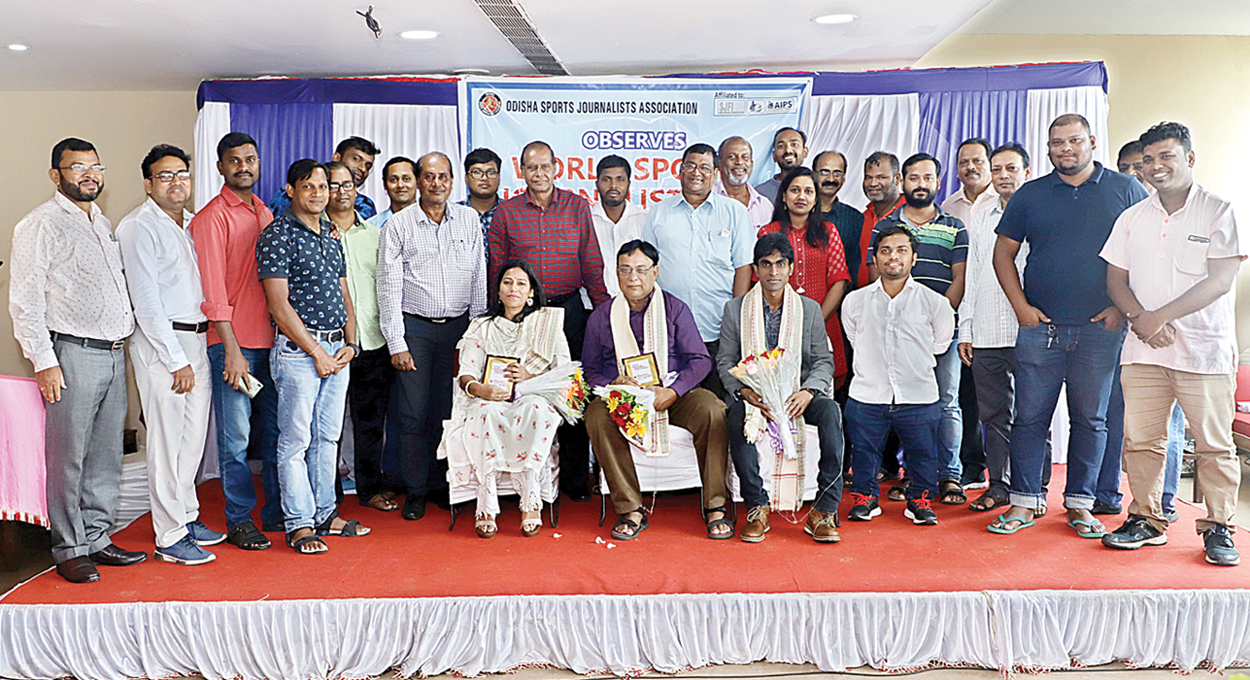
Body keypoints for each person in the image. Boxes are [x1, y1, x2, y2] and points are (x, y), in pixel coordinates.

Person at [989, 114, 1149, 537]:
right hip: (1040, 329)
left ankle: (1080, 504)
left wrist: (1123, 309)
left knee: (1092, 420)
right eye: (1056, 142)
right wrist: (1020, 306)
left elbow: (1144, 255)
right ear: (1048, 149)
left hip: (1102, 330)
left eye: (1073, 140)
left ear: (1091, 142)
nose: (1065, 148)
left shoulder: (1126, 189)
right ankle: (1024, 502)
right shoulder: (1031, 194)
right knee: (1028, 418)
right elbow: (1002, 254)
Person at [1100, 121, 1244, 566]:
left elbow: (1220, 280)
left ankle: (1219, 526)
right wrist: (1141, 322)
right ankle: (1145, 518)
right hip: (1143, 351)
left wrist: (1158, 317)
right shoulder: (1132, 217)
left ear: (1189, 158)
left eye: (1166, 157)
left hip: (1204, 351)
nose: (1155, 167)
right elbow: (1115, 281)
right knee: (1141, 441)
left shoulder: (1218, 210)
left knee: (1214, 445)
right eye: (1148, 160)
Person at [10, 137, 145, 583]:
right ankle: (69, 548)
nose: (89, 174)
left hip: (113, 353)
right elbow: (25, 299)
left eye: (95, 166)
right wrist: (43, 360)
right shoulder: (40, 224)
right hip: (71, 355)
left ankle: (97, 537)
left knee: (105, 455)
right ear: (56, 175)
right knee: (69, 457)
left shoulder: (102, 222)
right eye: (77, 167)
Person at [583, 240, 732, 540]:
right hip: (622, 400)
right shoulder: (602, 316)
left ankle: (716, 506)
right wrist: (612, 385)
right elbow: (589, 371)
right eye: (625, 270)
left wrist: (674, 391)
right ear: (616, 274)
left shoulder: (675, 309)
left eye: (641, 269)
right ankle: (631, 509)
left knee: (713, 409)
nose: (633, 277)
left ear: (656, 272)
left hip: (672, 394)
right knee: (596, 415)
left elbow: (700, 360)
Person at [116, 144, 222, 566]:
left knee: (193, 438)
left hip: (198, 340)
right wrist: (174, 359)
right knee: (166, 441)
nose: (176, 182)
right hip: (164, 347)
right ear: (147, 183)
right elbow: (146, 301)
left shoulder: (193, 224)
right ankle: (170, 535)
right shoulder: (138, 227)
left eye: (182, 174)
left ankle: (188, 516)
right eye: (165, 175)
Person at [258, 159, 369, 554]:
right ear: (291, 190)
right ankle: (300, 524)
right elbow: (278, 305)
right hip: (299, 354)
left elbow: (344, 292)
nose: (320, 193)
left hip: (337, 352)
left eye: (324, 186)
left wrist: (351, 343)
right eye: (310, 187)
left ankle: (326, 514)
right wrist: (317, 352)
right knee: (295, 441)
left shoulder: (330, 235)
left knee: (328, 438)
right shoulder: (277, 236)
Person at [488, 140, 608, 501]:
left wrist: (603, 314)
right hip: (523, 315)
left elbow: (592, 262)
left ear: (557, 168)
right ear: (521, 170)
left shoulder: (576, 207)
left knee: (570, 390)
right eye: (531, 167)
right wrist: (500, 318)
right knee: (520, 389)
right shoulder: (506, 212)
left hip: (570, 311)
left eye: (545, 167)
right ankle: (522, 478)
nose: (539, 174)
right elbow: (497, 268)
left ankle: (573, 481)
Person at [378, 152, 486, 520]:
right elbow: (388, 288)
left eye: (443, 177)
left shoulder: (469, 220)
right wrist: (397, 342)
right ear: (419, 182)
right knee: (412, 413)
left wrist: (476, 335)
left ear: (452, 182)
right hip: (416, 329)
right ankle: (416, 490)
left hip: (458, 329)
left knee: (449, 411)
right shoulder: (399, 225)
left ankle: (446, 485)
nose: (436, 183)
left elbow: (478, 280)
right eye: (429, 177)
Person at [719, 233, 844, 543]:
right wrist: (744, 392)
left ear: (790, 269)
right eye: (766, 265)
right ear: (756, 270)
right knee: (736, 417)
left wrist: (809, 391)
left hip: (796, 395)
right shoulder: (736, 310)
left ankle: (823, 510)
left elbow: (823, 362)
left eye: (780, 264)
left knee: (831, 411)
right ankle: (756, 506)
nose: (773, 273)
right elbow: (724, 361)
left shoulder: (809, 309)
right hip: (754, 397)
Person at [190, 132, 283, 550]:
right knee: (235, 440)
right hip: (235, 347)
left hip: (272, 344)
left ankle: (278, 513)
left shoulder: (264, 211)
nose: (243, 166)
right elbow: (213, 294)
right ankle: (240, 520)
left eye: (250, 159)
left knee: (278, 433)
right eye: (234, 161)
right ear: (221, 167)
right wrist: (230, 350)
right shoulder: (212, 218)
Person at [440, 260, 569, 539]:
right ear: (498, 291)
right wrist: (478, 389)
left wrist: (529, 377)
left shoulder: (546, 325)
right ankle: (486, 500)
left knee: (535, 408)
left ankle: (531, 496)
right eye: (507, 282)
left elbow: (562, 374)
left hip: (532, 396)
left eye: (521, 283)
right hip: (492, 396)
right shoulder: (481, 326)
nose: (514, 288)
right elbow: (467, 373)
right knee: (486, 411)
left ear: (531, 292)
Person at [869, 153, 968, 506]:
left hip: (942, 331)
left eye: (928, 177)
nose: (920, 184)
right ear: (902, 181)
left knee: (946, 403)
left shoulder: (955, 226)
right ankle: (914, 476)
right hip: (897, 332)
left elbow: (960, 279)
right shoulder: (885, 226)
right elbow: (874, 280)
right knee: (909, 405)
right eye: (913, 178)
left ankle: (950, 476)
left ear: (939, 183)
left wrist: (937, 321)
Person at [842, 225, 955, 526]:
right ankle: (866, 498)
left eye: (902, 250)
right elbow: (854, 339)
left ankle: (918, 501)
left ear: (914, 258)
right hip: (868, 392)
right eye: (886, 250)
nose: (893, 257)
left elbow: (941, 344)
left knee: (922, 454)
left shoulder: (936, 303)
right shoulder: (854, 301)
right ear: (875, 258)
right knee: (864, 452)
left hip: (918, 393)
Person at [957, 142, 1039, 512]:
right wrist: (967, 329)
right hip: (988, 331)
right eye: (998, 169)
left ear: (1027, 171)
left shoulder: (1041, 212)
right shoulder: (984, 213)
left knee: (1032, 414)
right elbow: (973, 275)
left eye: (1011, 169)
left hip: (1032, 330)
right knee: (993, 416)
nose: (1004, 176)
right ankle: (1000, 486)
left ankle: (1033, 488)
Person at [642, 143, 754, 399]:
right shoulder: (659, 212)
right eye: (690, 166)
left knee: (720, 405)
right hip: (670, 332)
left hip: (719, 329)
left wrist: (734, 320)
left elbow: (743, 267)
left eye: (705, 167)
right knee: (674, 403)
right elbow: (648, 269)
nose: (697, 172)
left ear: (716, 174)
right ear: (680, 171)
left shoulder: (734, 212)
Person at [324, 161, 398, 513]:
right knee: (328, 426)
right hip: (330, 346)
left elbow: (386, 288)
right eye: (333, 185)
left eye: (347, 184)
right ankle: (328, 494)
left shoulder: (375, 235)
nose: (341, 192)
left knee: (370, 423)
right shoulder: (313, 234)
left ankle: (370, 487)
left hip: (372, 342)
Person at [757, 167, 851, 381]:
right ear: (783, 196)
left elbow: (839, 281)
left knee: (821, 388)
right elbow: (761, 282)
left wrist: (814, 321)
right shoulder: (767, 232)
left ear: (816, 198)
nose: (801, 196)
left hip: (823, 323)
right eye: (795, 190)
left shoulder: (828, 232)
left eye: (808, 191)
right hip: (776, 326)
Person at [268, 136, 379, 219]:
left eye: (368, 165)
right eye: (356, 159)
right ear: (336, 157)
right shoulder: (293, 194)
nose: (362, 168)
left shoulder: (365, 205)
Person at [590, 154, 647, 298]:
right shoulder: (586, 221)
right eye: (606, 180)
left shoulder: (645, 220)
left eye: (620, 179)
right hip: (592, 306)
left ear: (629, 183)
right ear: (597, 184)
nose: (613, 186)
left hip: (636, 305)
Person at [813, 150, 865, 287]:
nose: (831, 179)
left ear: (844, 178)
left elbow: (854, 267)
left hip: (841, 299)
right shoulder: (799, 214)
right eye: (824, 172)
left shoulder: (856, 219)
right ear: (813, 175)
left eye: (837, 173)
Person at [859, 152, 906, 288]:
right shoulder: (861, 218)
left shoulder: (911, 216)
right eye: (868, 177)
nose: (873, 183)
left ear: (897, 179)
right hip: (863, 301)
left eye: (881, 177)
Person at [714, 136, 773, 231]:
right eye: (732, 157)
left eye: (745, 158)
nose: (739, 162)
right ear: (719, 164)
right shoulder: (707, 198)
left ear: (751, 164)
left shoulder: (764, 205)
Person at [940, 138, 998, 226]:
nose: (970, 167)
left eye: (977, 161)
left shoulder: (1003, 200)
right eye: (963, 162)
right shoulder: (948, 207)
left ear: (991, 165)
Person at [459, 147, 502, 252]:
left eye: (491, 173)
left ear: (499, 178)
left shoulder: (510, 212)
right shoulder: (454, 214)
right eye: (477, 172)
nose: (484, 178)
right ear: (466, 178)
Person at [755, 127, 808, 203]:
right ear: (774, 156)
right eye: (781, 146)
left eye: (794, 144)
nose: (788, 150)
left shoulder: (816, 188)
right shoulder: (759, 194)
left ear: (805, 152)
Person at [367, 156, 418, 228]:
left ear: (418, 182)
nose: (400, 185)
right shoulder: (371, 226)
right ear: (385, 185)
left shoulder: (432, 221)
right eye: (393, 180)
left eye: (406, 179)